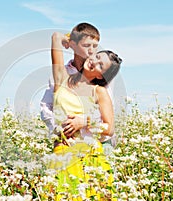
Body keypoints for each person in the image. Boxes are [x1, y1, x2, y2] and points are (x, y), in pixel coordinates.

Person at [50, 31, 122, 200]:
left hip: (89, 152)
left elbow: (109, 128)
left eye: (100, 66)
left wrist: (84, 121)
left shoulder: (99, 91)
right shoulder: (62, 77)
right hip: (63, 149)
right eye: (97, 57)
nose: (94, 61)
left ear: (101, 75)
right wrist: (74, 42)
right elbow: (55, 37)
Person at [40, 22, 116, 152]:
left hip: (94, 143)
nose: (91, 51)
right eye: (86, 45)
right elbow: (46, 107)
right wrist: (60, 130)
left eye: (95, 46)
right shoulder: (62, 76)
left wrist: (83, 123)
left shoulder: (100, 86)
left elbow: (107, 123)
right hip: (64, 144)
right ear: (73, 45)